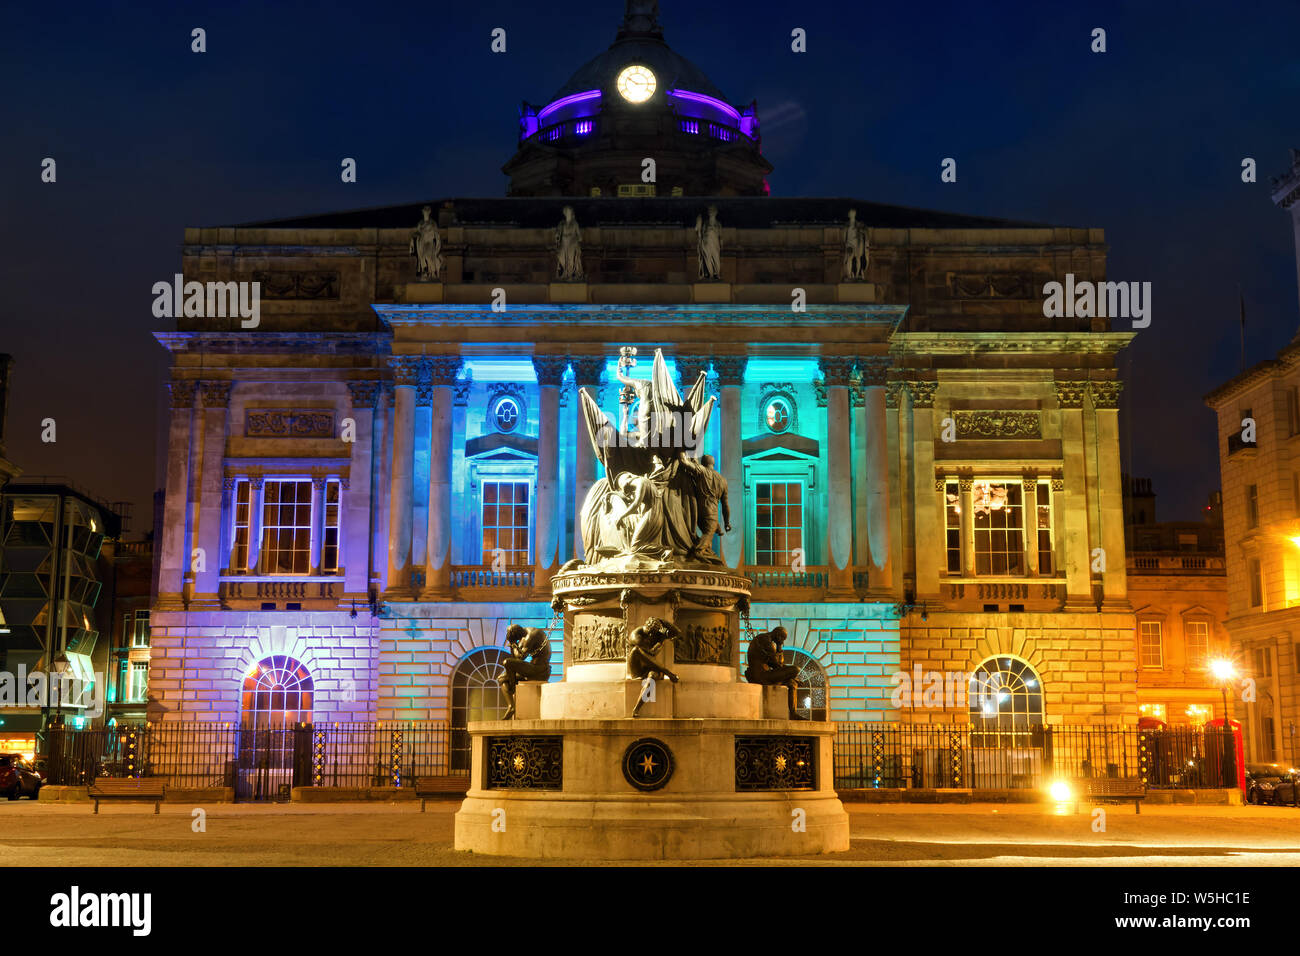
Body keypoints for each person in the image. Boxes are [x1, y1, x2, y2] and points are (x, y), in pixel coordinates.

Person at [744, 626, 804, 719]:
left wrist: (791, 677)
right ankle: (793, 713)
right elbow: (778, 664)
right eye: (782, 639)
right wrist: (779, 647)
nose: (782, 642)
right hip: (761, 676)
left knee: (792, 683)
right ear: (777, 635)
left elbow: (777, 664)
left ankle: (793, 713)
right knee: (796, 669)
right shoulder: (766, 641)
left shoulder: (765, 639)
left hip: (763, 674)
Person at [626, 618, 680, 717]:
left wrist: (662, 622)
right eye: (649, 633)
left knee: (652, 677)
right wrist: (669, 674)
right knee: (636, 650)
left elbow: (676, 632)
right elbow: (649, 657)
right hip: (638, 668)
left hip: (651, 667)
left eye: (653, 634)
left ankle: (636, 709)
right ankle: (668, 673)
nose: (651, 636)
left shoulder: (658, 632)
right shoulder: (636, 635)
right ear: (646, 628)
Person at [681, 454, 730, 560]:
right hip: (711, 511)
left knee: (707, 534)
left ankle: (706, 552)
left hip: (696, 509)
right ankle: (698, 552)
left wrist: (681, 452)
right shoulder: (723, 480)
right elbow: (725, 505)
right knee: (708, 533)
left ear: (703, 463)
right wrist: (727, 522)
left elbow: (684, 463)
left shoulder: (701, 470)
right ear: (713, 463)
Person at [499, 624, 552, 719]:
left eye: (516, 639)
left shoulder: (531, 635)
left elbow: (520, 658)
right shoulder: (523, 636)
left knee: (506, 662)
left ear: (517, 634)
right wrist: (513, 645)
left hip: (540, 669)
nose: (518, 641)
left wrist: (512, 644)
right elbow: (515, 657)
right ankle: (511, 706)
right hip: (533, 667)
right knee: (501, 679)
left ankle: (512, 686)